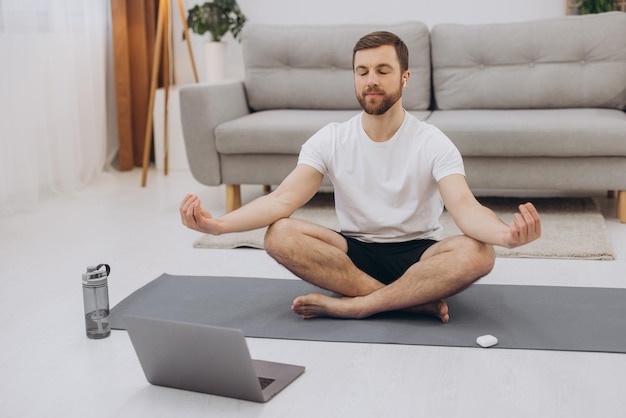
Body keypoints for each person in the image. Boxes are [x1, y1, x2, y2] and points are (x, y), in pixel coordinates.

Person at [180, 31, 541, 323]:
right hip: (354, 252)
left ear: (404, 77)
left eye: (383, 71)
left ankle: (358, 304)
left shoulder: (433, 141)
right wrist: (220, 226)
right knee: (280, 233)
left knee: (479, 252)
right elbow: (281, 199)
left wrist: (506, 236)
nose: (372, 80)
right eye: (362, 71)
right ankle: (405, 302)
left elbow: (465, 209)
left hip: (419, 254)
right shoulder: (332, 138)